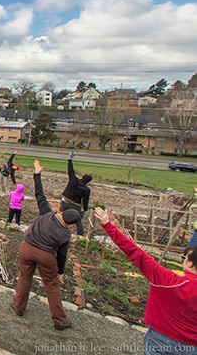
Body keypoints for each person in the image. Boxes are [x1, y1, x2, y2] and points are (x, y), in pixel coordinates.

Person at [94, 207, 197, 354]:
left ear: (190, 263)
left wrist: (108, 225)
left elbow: (136, 253)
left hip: (159, 341)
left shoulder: (167, 280)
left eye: (185, 256)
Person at [12, 159, 81, 330]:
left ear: (61, 212)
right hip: (46, 255)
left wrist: (37, 173)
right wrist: (59, 270)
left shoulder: (46, 213)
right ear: (70, 223)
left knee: (24, 277)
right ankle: (60, 319)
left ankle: (18, 307)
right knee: (51, 285)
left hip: (27, 248)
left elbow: (39, 194)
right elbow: (62, 255)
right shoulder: (65, 233)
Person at [61, 151, 91, 236]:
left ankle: (58, 230)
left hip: (65, 202)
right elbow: (85, 201)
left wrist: (69, 159)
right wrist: (84, 210)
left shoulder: (73, 180)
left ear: (82, 178)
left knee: (61, 217)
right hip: (75, 206)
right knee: (78, 222)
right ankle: (80, 236)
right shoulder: (86, 190)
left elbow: (70, 170)